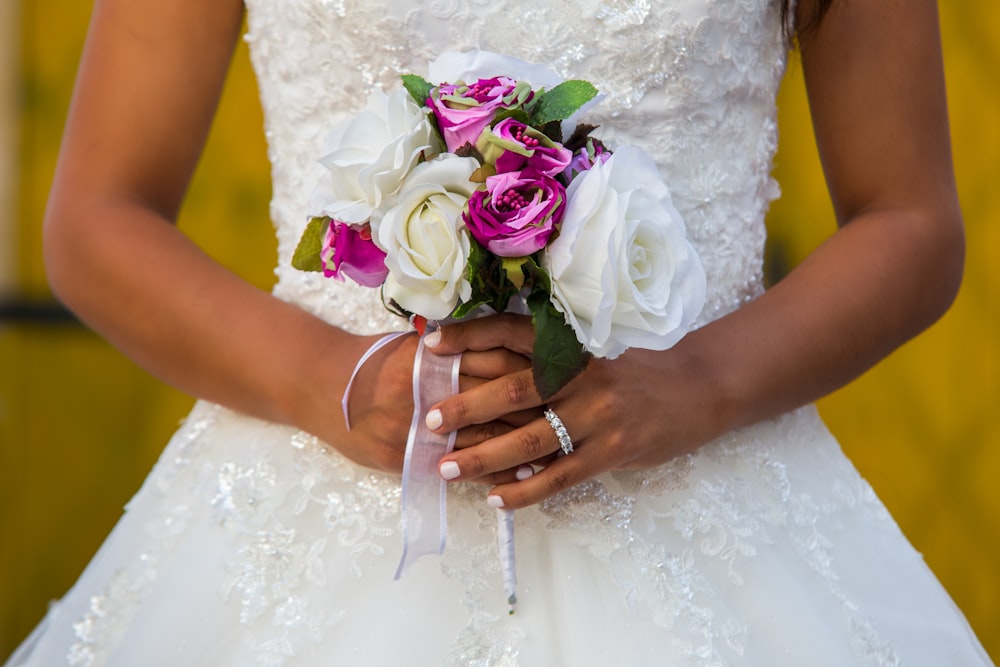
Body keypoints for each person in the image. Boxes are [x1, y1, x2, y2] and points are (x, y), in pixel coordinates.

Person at [5, 0, 993, 665]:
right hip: (312, 504)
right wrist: (330, 380)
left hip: (714, 496)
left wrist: (696, 382)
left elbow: (908, 218)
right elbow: (97, 217)